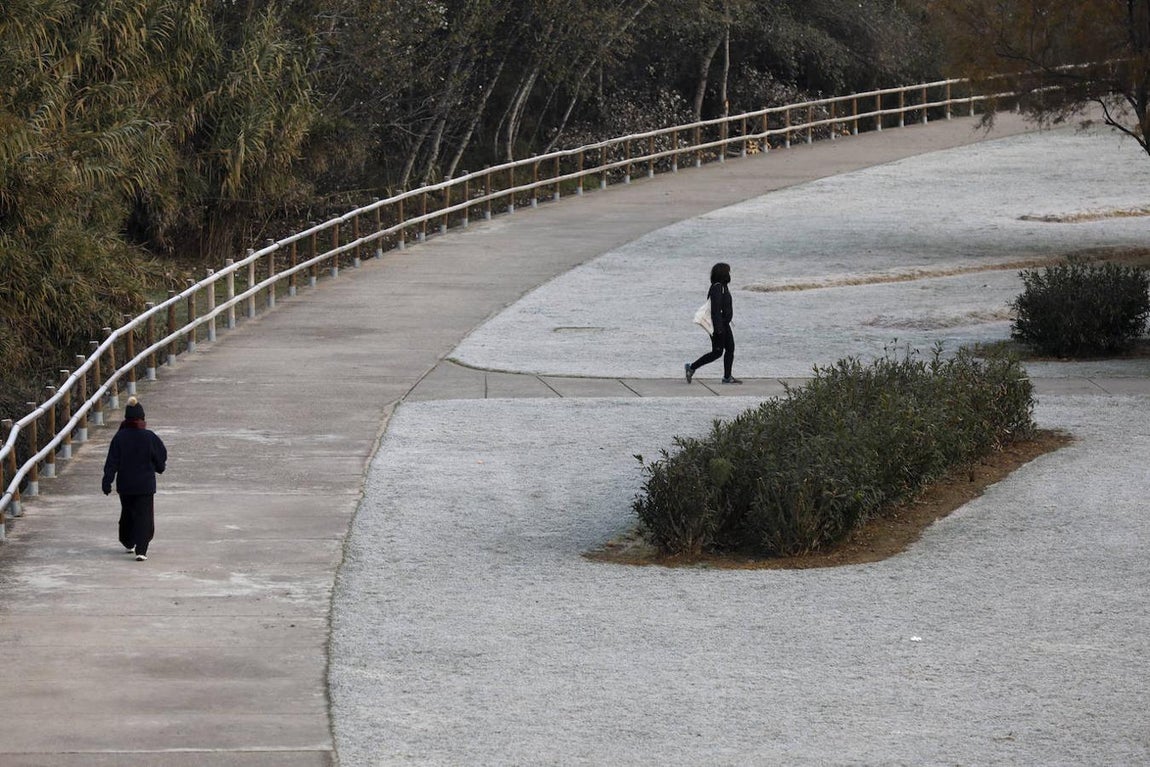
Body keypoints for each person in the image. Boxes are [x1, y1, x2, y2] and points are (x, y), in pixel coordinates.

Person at [102, 396, 167, 561]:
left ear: (126, 418)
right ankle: (142, 550)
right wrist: (160, 467)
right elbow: (160, 457)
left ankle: (128, 541)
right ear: (142, 418)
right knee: (144, 516)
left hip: (126, 485)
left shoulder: (119, 437)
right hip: (145, 485)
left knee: (128, 513)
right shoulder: (149, 437)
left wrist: (107, 481)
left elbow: (112, 462)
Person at [685, 262, 742, 384]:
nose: (729, 274)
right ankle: (691, 367)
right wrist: (718, 329)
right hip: (719, 326)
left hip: (724, 324)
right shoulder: (717, 287)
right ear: (722, 274)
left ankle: (727, 377)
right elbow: (715, 310)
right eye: (728, 272)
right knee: (717, 352)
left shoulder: (723, 286)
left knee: (730, 349)